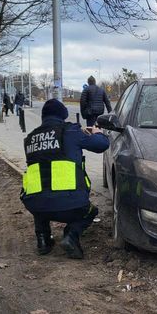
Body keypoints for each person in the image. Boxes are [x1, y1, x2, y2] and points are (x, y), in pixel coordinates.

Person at [20, 99, 110, 259]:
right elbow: (102, 145)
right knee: (91, 211)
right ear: (63, 116)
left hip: (36, 205)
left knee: (40, 195)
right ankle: (71, 235)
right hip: (71, 205)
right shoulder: (70, 131)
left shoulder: (30, 138)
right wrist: (96, 132)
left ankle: (43, 240)